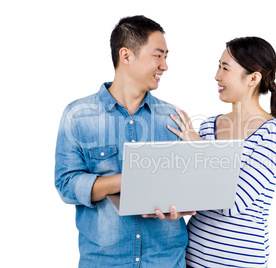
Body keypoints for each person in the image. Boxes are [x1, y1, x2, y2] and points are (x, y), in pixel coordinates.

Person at [55, 15, 194, 267]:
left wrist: (184, 204)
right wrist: (125, 180)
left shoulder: (174, 118)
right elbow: (66, 184)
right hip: (105, 261)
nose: (165, 66)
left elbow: (189, 184)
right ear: (126, 56)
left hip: (165, 260)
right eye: (158, 55)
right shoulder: (78, 115)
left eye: (166, 56)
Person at [167, 37, 276, 267]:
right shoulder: (207, 126)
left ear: (253, 78)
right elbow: (192, 192)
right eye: (219, 66)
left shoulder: (274, 133)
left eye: (225, 68)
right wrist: (171, 207)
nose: (217, 76)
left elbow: (233, 202)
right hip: (190, 258)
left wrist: (198, 144)